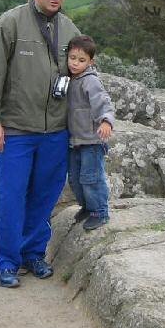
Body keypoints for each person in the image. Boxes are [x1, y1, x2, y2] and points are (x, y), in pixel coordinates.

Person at [0, 0, 80, 288]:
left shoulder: (70, 29)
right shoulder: (9, 23)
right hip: (17, 130)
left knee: (44, 197)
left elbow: (83, 77)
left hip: (56, 132)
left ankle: (33, 253)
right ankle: (5, 261)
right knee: (10, 197)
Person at [66, 34, 114, 231]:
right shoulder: (69, 79)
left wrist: (106, 121)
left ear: (90, 62)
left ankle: (100, 212)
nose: (75, 63)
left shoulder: (90, 81)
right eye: (72, 58)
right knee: (75, 179)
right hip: (75, 140)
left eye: (81, 60)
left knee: (91, 178)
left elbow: (103, 102)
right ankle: (87, 207)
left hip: (92, 141)